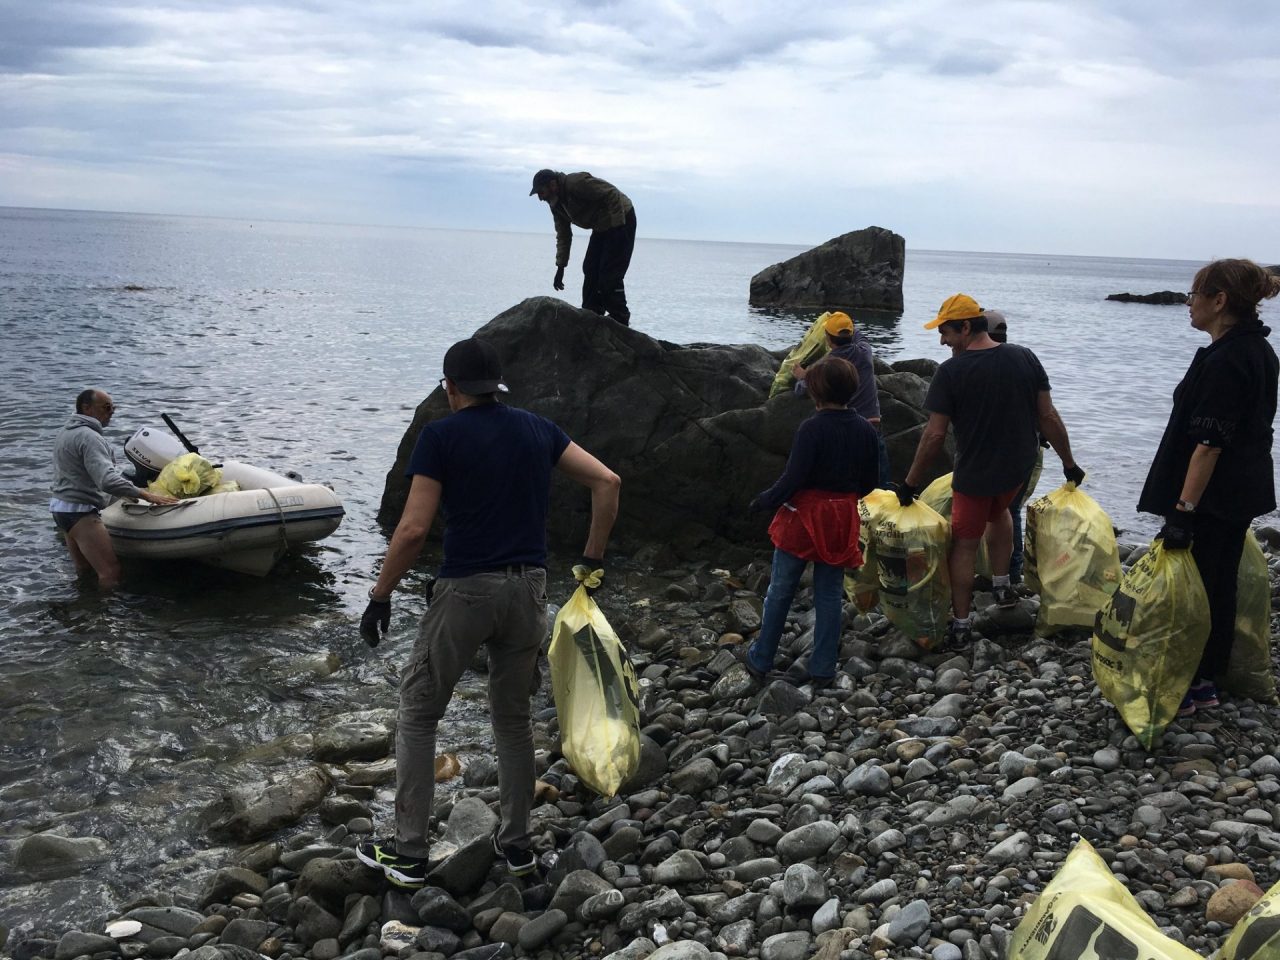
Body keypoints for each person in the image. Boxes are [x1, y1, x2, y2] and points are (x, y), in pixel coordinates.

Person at [356, 337, 621, 888]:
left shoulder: (440, 436)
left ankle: (408, 852)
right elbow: (607, 481)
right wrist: (591, 562)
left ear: (451, 388)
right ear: (497, 385)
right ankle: (517, 843)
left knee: (419, 710)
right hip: (529, 590)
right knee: (512, 719)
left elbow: (411, 530)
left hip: (466, 590)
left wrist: (380, 594)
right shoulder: (537, 429)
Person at [893, 294, 1084, 647]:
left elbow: (934, 435)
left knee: (964, 544)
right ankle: (1002, 587)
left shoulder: (951, 372)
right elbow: (1048, 416)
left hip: (976, 472)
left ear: (966, 327)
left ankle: (962, 624)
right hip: (1018, 466)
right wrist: (1069, 464)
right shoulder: (1024, 356)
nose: (942, 341)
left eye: (946, 332)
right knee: (1001, 514)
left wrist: (909, 483)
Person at [1137, 259, 1279, 718]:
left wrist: (1183, 510)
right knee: (1217, 585)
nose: (1188, 302)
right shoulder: (1257, 351)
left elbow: (1209, 445)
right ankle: (1206, 681)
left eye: (1195, 294)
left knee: (1192, 590)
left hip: (1213, 495)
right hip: (1241, 489)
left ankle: (1188, 682)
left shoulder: (1230, 358)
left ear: (1220, 301)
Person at [743, 356, 881, 687]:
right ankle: (823, 669)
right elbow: (870, 482)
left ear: (816, 392)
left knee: (781, 589)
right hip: (842, 514)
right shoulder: (865, 429)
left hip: (804, 515)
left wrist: (765, 500)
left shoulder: (811, 428)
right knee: (830, 594)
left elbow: (793, 478)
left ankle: (762, 659)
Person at [49, 389, 178, 589]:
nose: (112, 412)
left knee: (85, 569)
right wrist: (145, 494)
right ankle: (104, 619)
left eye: (113, 407)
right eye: (107, 407)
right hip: (80, 512)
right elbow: (107, 480)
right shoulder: (90, 437)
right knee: (110, 572)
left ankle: (83, 609)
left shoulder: (66, 432)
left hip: (61, 509)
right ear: (87, 408)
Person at [793, 311, 892, 486]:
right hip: (873, 427)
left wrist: (802, 376)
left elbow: (802, 390)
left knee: (846, 486)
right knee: (879, 488)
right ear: (851, 335)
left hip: (847, 431)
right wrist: (846, 322)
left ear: (828, 340)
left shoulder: (828, 365)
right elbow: (860, 335)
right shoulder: (864, 351)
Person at [530, 169, 637, 326]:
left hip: (622, 218)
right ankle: (592, 314)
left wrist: (617, 229)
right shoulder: (556, 205)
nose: (540, 198)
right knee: (590, 269)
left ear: (552, 185)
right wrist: (561, 267)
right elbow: (563, 235)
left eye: (541, 192)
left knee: (609, 274)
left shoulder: (576, 184)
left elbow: (611, 194)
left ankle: (620, 319)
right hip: (602, 226)